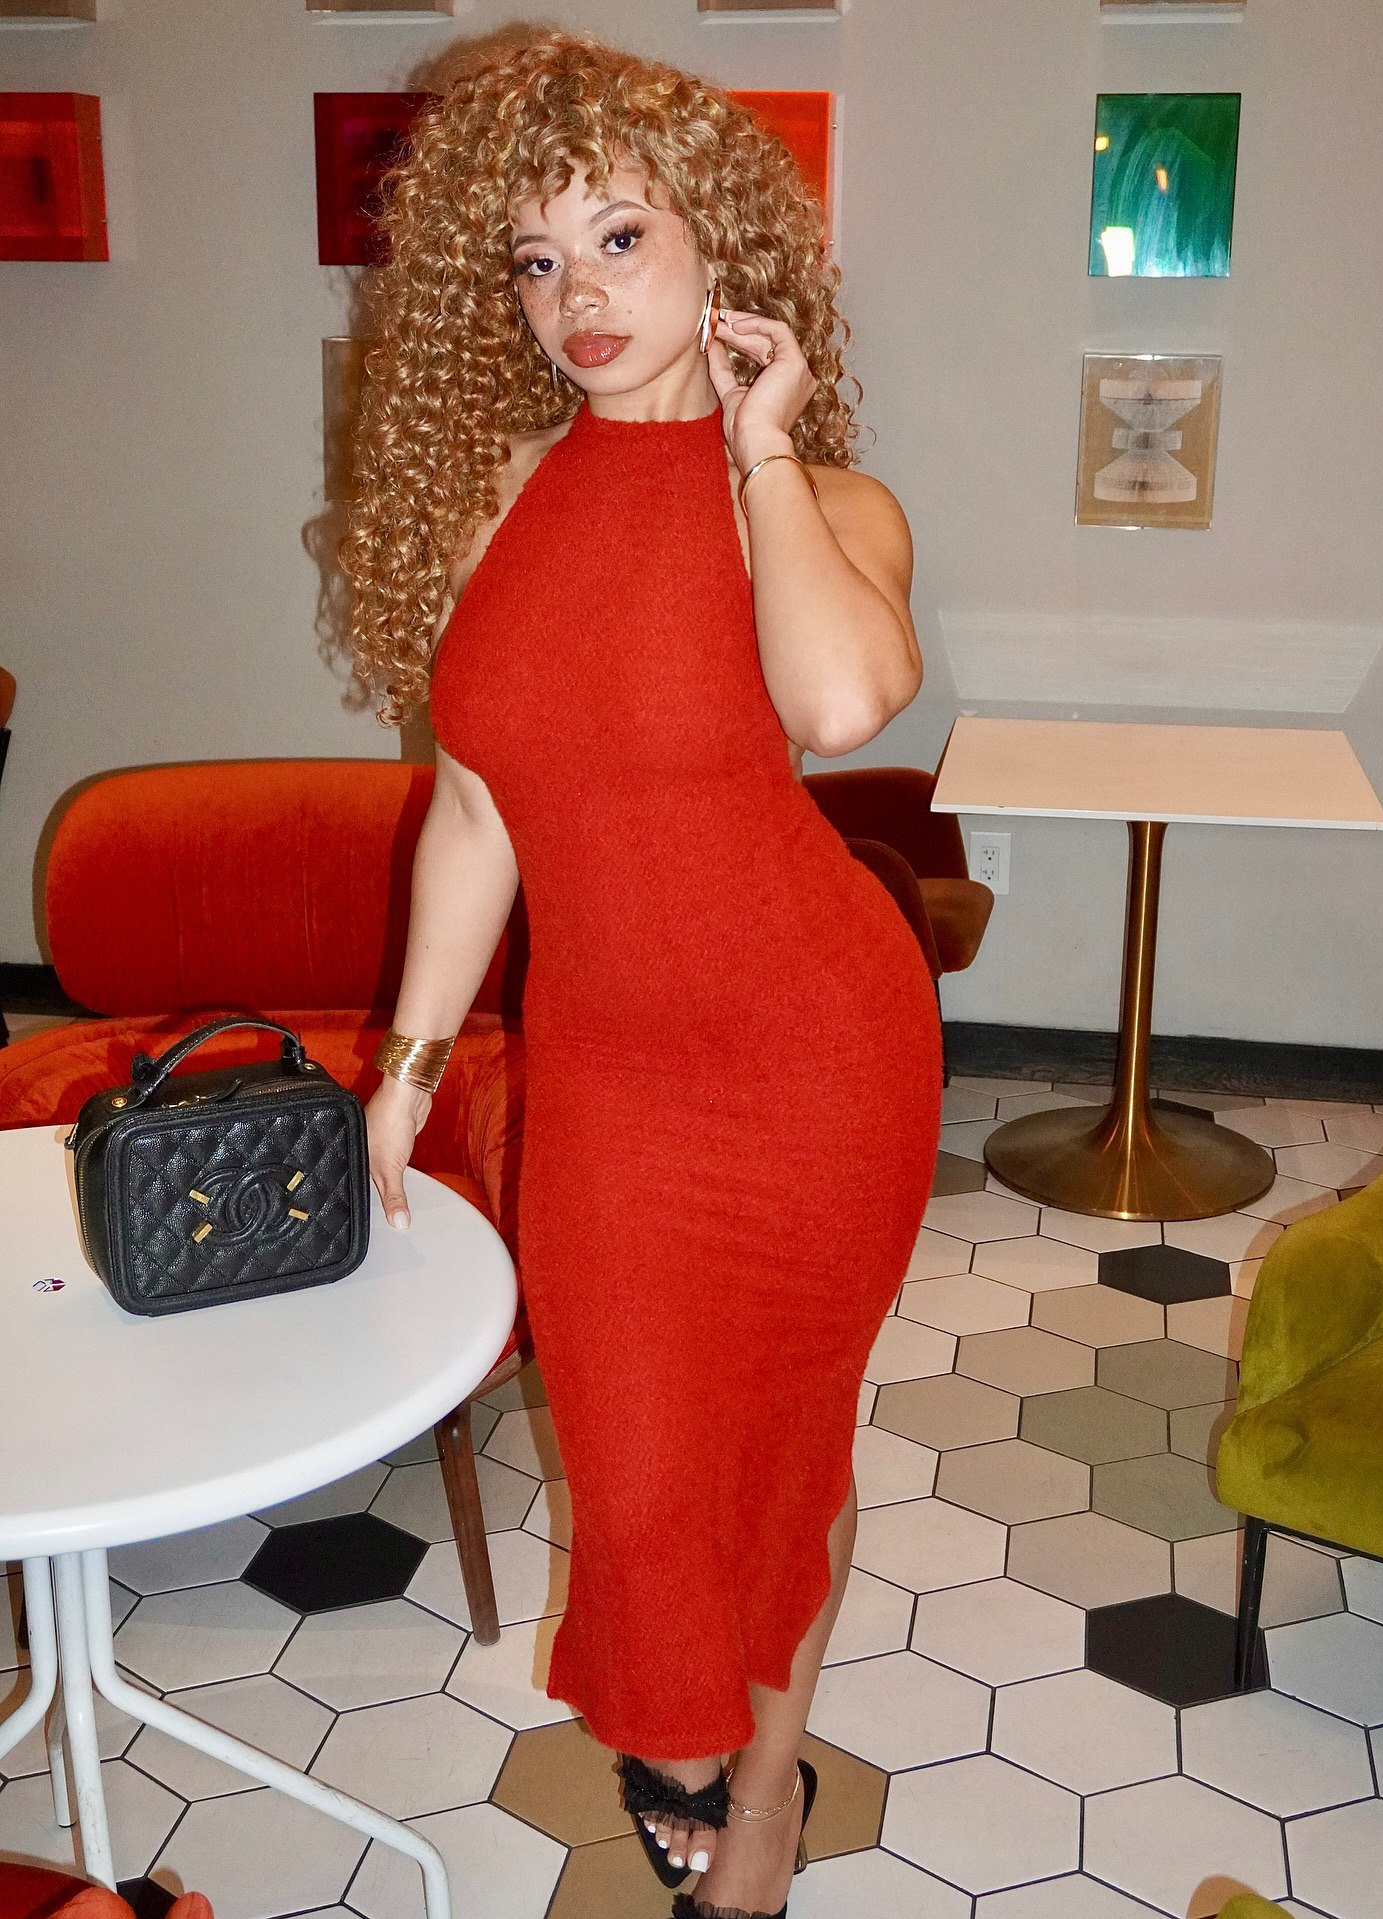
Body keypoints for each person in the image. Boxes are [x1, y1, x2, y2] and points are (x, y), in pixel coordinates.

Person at [339, 28, 942, 1919]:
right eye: (537, 260)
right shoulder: (503, 498)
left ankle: (762, 1790)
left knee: (780, 1452)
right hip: (608, 1074)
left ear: (717, 245)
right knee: (638, 1467)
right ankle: (694, 1727)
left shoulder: (827, 499)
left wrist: (756, 445)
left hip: (818, 1057)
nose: (578, 298)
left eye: (619, 238)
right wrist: (407, 1070)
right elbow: (474, 811)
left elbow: (842, 702)